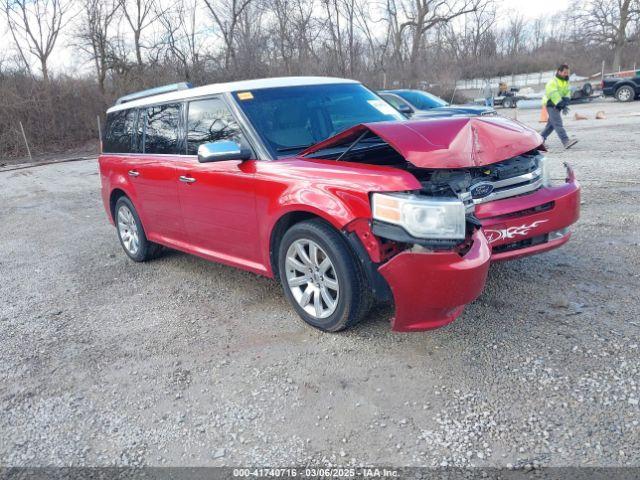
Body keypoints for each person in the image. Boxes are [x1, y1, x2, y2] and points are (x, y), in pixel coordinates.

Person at [540, 64, 578, 149]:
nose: (566, 74)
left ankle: (538, 141)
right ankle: (566, 141)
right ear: (559, 72)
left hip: (558, 104)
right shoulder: (553, 81)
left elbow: (567, 92)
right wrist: (562, 105)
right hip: (551, 104)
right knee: (557, 123)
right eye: (565, 72)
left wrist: (566, 101)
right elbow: (554, 95)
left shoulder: (565, 81)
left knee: (551, 125)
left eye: (567, 72)